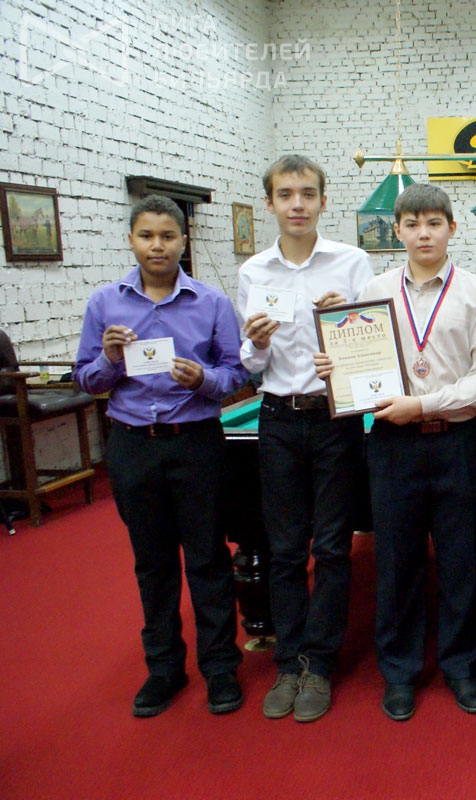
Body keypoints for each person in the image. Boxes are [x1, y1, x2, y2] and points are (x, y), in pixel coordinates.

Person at [318, 184, 476, 722]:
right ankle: (399, 671)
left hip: (458, 441)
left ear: (451, 228)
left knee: (461, 560)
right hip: (391, 445)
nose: (424, 233)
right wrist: (334, 368)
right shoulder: (373, 291)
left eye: (434, 223)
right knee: (396, 563)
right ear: (397, 230)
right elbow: (357, 362)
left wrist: (422, 404)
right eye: (413, 224)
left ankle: (461, 666)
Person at [76, 195, 249, 717]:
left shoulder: (211, 302)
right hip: (132, 445)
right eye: (147, 236)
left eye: (168, 236)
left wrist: (205, 380)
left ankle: (220, 668)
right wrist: (109, 359)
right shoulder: (105, 303)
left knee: (208, 559)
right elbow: (86, 379)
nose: (158, 246)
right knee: (152, 564)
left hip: (196, 443)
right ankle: (164, 669)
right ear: (131, 240)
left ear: (183, 241)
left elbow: (238, 373)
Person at [237, 154, 374, 722]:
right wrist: (257, 343)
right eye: (286, 194)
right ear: (270, 202)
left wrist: (349, 324)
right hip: (276, 417)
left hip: (335, 419)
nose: (298, 204)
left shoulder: (352, 262)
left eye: (308, 194)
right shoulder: (253, 271)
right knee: (286, 550)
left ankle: (320, 663)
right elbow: (250, 363)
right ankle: (288, 662)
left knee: (333, 548)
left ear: (323, 200)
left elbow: (372, 349)